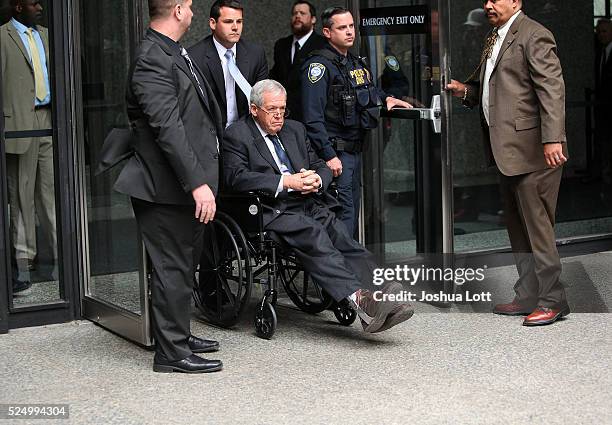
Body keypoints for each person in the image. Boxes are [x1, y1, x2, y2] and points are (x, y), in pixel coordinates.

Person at [223, 79, 414, 333]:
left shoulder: (294, 130)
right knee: (314, 234)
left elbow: (321, 164)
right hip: (271, 209)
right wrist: (285, 181)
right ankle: (361, 300)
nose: (279, 115)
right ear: (255, 109)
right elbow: (236, 178)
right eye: (272, 109)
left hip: (306, 202)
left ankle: (383, 294)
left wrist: (318, 180)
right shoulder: (237, 135)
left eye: (283, 108)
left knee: (340, 235)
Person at [115, 0, 223, 373]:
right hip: (164, 188)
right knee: (171, 268)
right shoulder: (151, 59)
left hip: (181, 186)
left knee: (184, 263)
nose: (192, 12)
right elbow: (169, 130)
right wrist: (198, 184)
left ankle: (177, 333)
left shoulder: (172, 52)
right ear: (177, 10)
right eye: (190, 6)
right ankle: (172, 353)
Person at [447, 0, 570, 326]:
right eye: (484, 0)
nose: (487, 5)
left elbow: (552, 89)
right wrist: (465, 91)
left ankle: (553, 299)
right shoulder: (496, 36)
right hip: (508, 151)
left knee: (538, 229)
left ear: (516, 1)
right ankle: (529, 293)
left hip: (534, 151)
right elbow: (496, 90)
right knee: (518, 228)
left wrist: (553, 138)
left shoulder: (534, 34)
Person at [300, 7, 412, 239]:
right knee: (343, 214)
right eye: (342, 28)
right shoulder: (319, 67)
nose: (350, 32)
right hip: (335, 154)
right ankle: (342, 270)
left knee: (351, 210)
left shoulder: (353, 62)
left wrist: (387, 98)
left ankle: (348, 266)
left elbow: (370, 90)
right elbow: (312, 118)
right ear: (327, 32)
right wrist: (329, 155)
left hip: (355, 150)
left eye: (351, 26)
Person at [1, 0, 57, 295]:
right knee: (21, 195)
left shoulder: (49, 35)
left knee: (51, 194)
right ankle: (24, 259)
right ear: (18, 6)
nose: (40, 8)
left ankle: (62, 256)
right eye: (34, 3)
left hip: (49, 119)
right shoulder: (2, 37)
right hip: (19, 125)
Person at [188, 0, 268, 128]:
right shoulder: (194, 57)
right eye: (228, 21)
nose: (235, 27)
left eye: (239, 21)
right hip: (212, 134)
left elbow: (262, 100)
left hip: (247, 132)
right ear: (213, 23)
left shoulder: (256, 54)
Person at [269, 1, 326, 122]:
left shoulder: (323, 45)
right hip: (283, 115)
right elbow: (276, 75)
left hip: (310, 115)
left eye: (302, 13)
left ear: (313, 19)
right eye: (295, 13)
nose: (298, 16)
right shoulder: (281, 45)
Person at [592, 19, 612, 184]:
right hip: (602, 108)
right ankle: (604, 174)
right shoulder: (600, 53)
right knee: (604, 142)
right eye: (599, 32)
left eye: (604, 31)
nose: (601, 35)